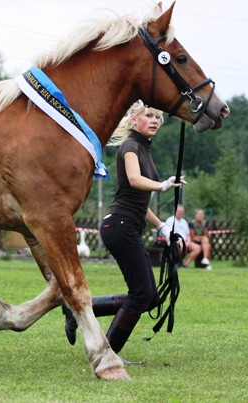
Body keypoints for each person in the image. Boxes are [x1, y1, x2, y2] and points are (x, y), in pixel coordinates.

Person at [62, 100, 185, 359]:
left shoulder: (144, 149)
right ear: (133, 121)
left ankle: (78, 310)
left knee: (149, 296)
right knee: (141, 294)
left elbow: (138, 201)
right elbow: (134, 180)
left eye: (157, 117)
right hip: (119, 226)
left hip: (125, 225)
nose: (154, 120)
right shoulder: (131, 146)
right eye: (148, 115)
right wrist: (161, 185)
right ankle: (107, 354)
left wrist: (162, 226)